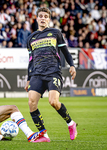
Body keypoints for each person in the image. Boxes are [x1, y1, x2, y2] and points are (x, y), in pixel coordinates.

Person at [24, 7, 77, 143]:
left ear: (49, 19)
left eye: (45, 16)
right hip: (36, 74)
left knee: (53, 102)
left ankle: (70, 123)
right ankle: (43, 135)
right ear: (37, 18)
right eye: (40, 16)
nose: (42, 18)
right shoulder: (31, 38)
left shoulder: (55, 33)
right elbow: (31, 61)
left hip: (53, 72)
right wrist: (28, 79)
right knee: (31, 103)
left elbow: (65, 51)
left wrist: (72, 65)